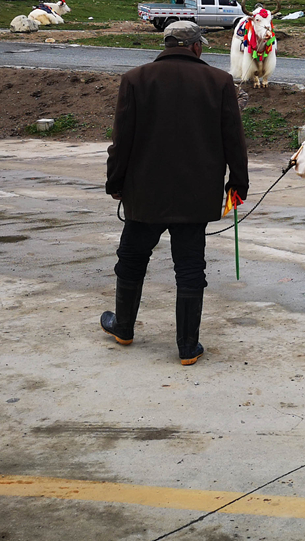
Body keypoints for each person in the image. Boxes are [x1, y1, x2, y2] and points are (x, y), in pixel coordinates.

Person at [102, 20, 249, 365]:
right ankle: (187, 347)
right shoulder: (219, 82)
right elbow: (234, 141)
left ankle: (123, 328)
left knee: (132, 258)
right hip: (195, 196)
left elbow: (122, 140)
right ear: (196, 47)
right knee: (190, 266)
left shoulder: (135, 79)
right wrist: (238, 184)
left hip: (144, 193)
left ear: (166, 45)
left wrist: (115, 182)